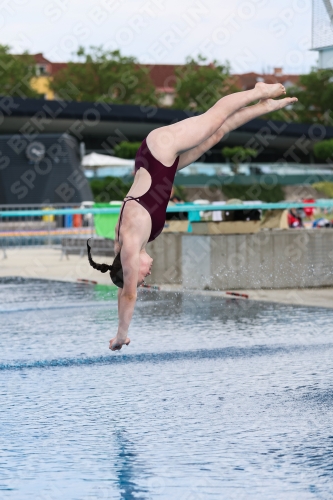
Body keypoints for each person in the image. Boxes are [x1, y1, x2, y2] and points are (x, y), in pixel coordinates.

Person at [87, 83, 298, 351]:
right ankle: (265, 106)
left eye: (141, 277)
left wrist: (121, 335)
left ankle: (258, 91)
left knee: (215, 116)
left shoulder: (129, 243)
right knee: (216, 134)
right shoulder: (126, 247)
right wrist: (120, 322)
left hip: (160, 150)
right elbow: (123, 288)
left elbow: (128, 292)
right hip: (159, 163)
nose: (146, 276)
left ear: (129, 267)